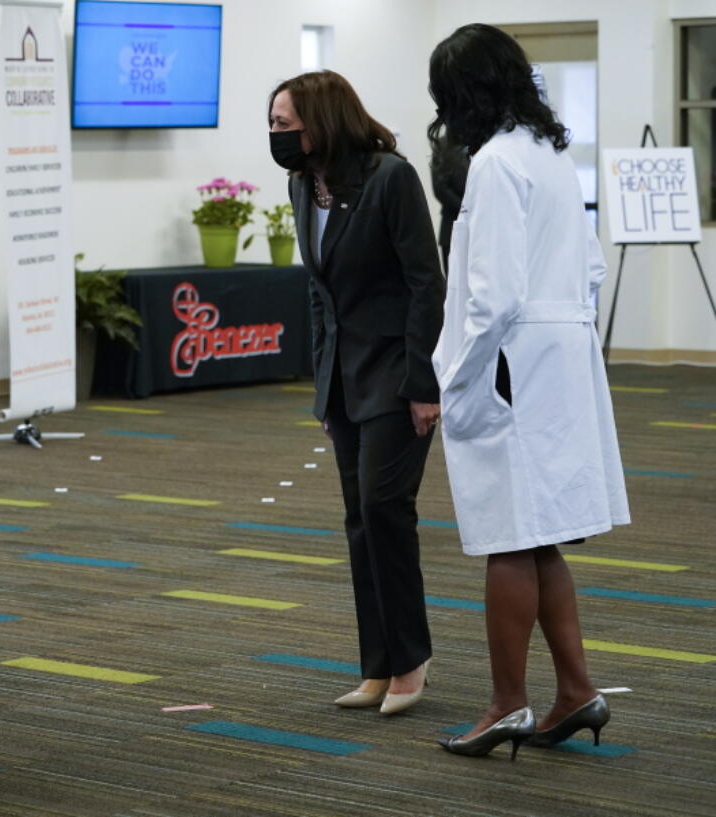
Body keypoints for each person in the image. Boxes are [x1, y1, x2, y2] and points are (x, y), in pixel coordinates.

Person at [428, 24, 630, 759]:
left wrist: (458, 373)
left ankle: (507, 703)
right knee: (540, 534)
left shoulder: (493, 162)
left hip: (508, 366)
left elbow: (492, 295)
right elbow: (595, 270)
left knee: (509, 537)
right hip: (559, 363)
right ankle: (576, 690)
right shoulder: (551, 154)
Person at [269, 71, 444, 715]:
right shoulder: (301, 183)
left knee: (385, 512)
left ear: (321, 120)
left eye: (285, 124)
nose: (276, 135)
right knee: (359, 523)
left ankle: (410, 662)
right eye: (274, 124)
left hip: (398, 376)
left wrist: (422, 383)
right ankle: (377, 663)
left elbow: (427, 284)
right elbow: (321, 294)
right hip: (343, 381)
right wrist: (323, 390)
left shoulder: (389, 177)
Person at [429, 140, 469, 273]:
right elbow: (440, 189)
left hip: (485, 229)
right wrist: (469, 208)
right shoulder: (442, 144)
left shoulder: (487, 140)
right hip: (451, 226)